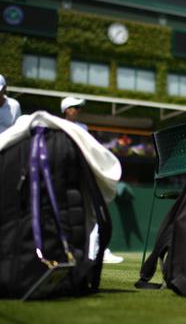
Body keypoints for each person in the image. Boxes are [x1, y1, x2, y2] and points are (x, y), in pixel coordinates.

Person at [61, 96, 124, 265]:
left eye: (78, 107)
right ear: (66, 110)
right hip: (66, 176)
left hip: (83, 174)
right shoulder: (59, 128)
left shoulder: (83, 128)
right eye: (75, 107)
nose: (78, 110)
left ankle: (97, 250)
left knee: (94, 212)